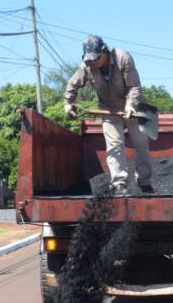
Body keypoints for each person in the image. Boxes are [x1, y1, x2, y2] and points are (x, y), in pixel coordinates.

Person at [64, 35, 152, 195]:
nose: (94, 62)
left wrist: (130, 106)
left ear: (104, 51)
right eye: (90, 59)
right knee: (114, 145)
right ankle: (119, 184)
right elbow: (72, 84)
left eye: (97, 58)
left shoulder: (122, 58)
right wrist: (68, 103)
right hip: (108, 109)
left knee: (141, 145)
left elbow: (135, 87)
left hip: (134, 107)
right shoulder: (87, 66)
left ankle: (145, 183)